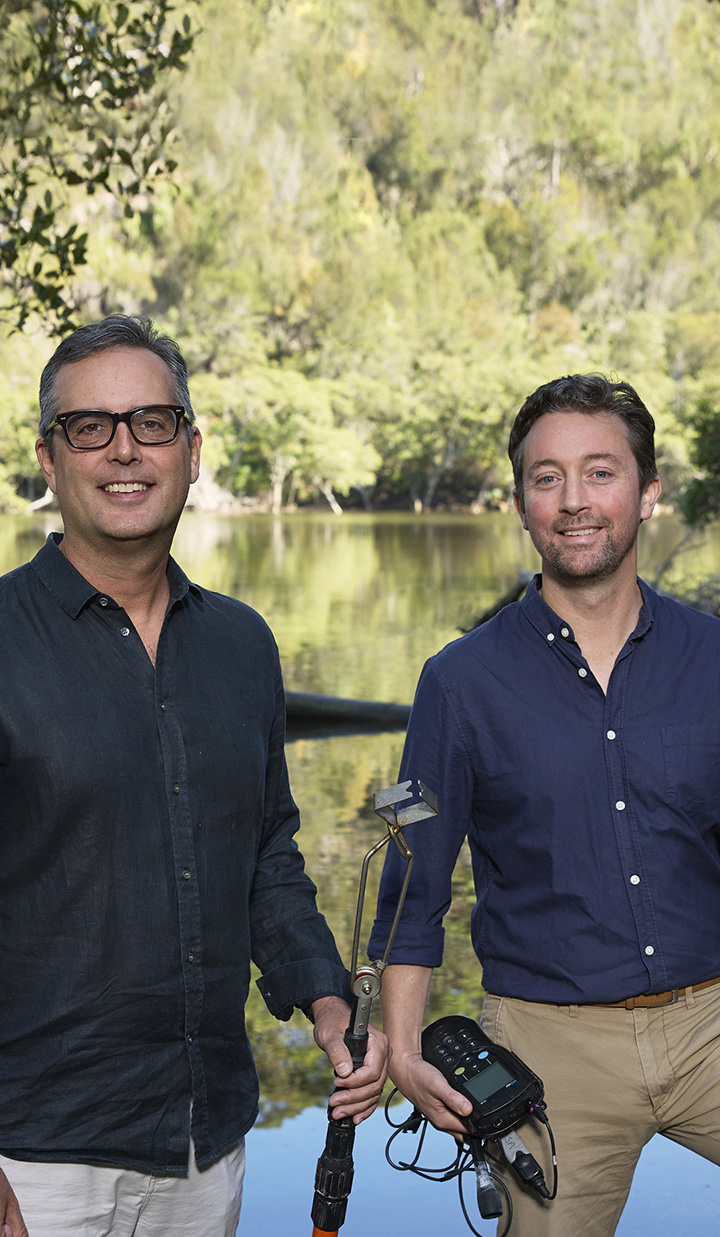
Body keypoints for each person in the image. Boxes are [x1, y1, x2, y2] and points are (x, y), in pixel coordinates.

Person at [0, 314, 387, 1237]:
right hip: (36, 1160)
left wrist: (328, 998)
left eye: (152, 421)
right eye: (90, 426)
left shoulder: (243, 645)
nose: (124, 448)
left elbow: (267, 853)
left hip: (205, 1147)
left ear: (193, 449)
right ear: (50, 460)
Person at [369, 374, 720, 1236]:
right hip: (548, 1041)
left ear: (647, 493)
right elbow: (413, 886)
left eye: (601, 472)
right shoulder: (458, 681)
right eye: (546, 477)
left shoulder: (713, 656)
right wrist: (405, 1052)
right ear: (521, 502)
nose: (574, 501)